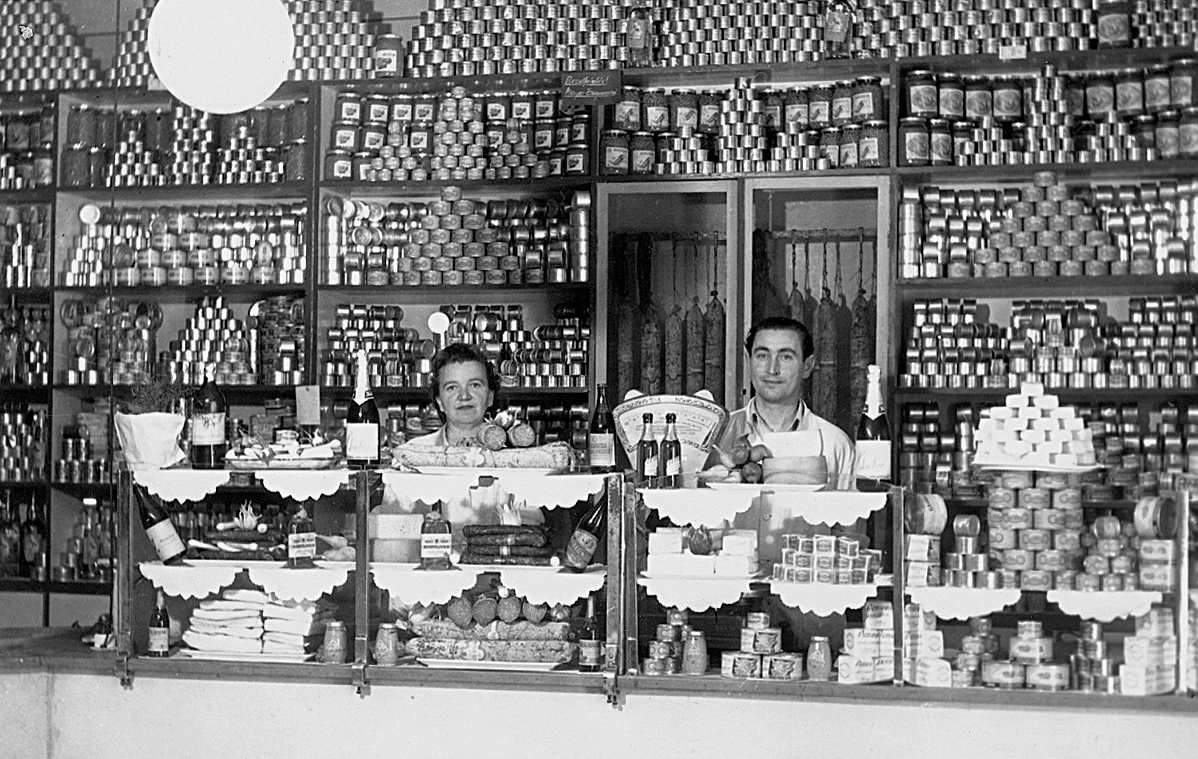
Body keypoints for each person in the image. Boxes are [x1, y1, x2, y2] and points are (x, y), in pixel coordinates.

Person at [715, 316, 859, 653]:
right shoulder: (719, 438)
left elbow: (849, 541)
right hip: (730, 613)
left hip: (812, 622)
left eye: (786, 356)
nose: (772, 368)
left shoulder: (834, 444)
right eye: (762, 355)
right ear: (749, 361)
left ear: (808, 366)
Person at [406, 342, 501, 447]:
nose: (464, 396)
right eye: (452, 387)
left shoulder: (513, 453)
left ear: (490, 397)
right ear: (439, 402)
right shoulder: (412, 451)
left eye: (474, 385)